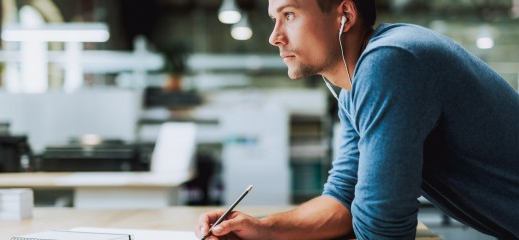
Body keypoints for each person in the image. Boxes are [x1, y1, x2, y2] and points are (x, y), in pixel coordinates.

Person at [195, 0, 519, 239]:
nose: (275, 37)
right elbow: (343, 200)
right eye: (273, 19)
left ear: (344, 16)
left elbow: (382, 223)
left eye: (289, 15)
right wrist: (263, 228)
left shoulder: (391, 60)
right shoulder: (352, 85)